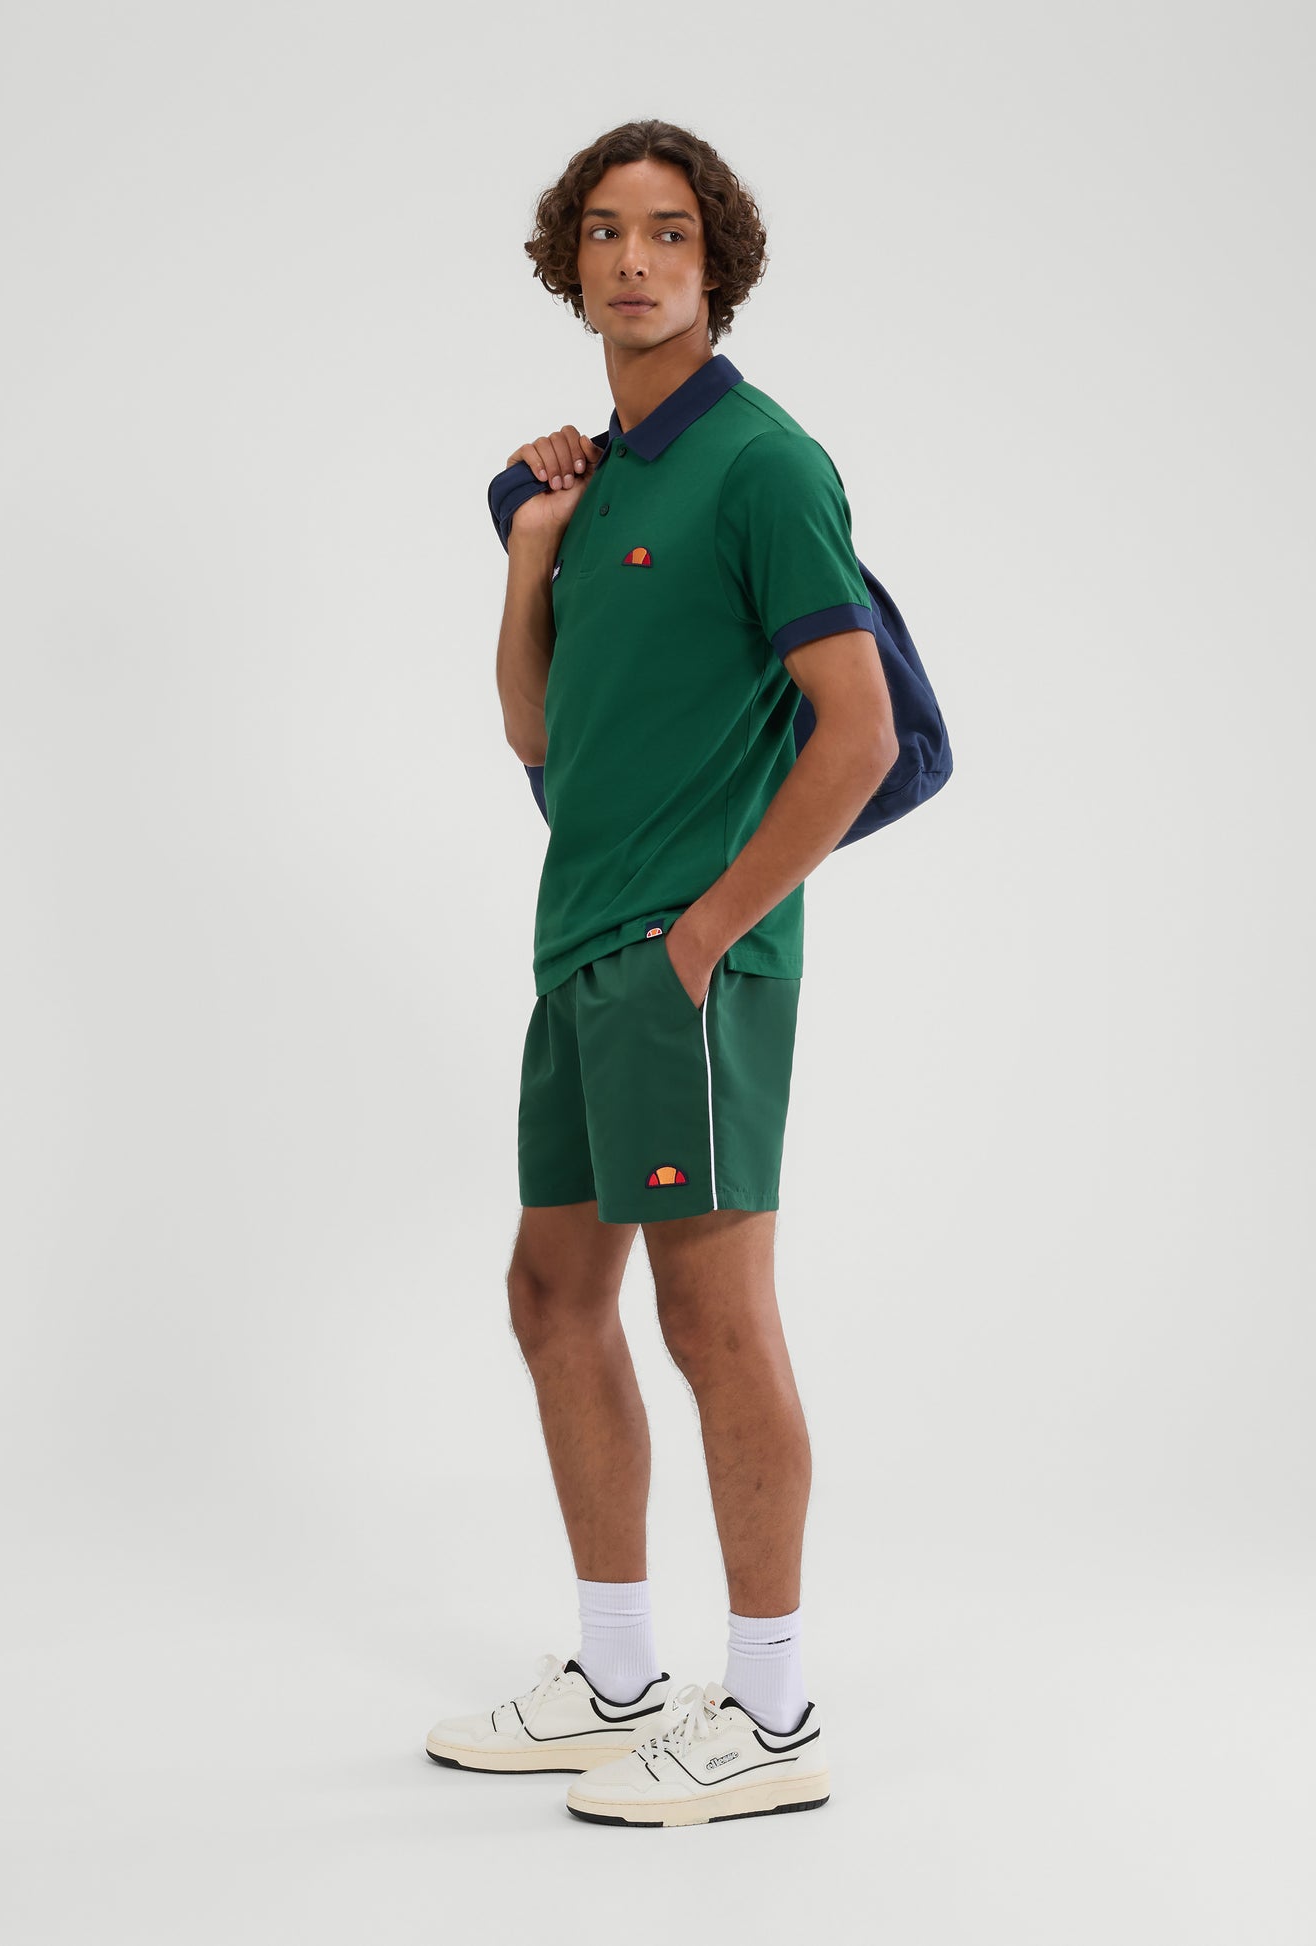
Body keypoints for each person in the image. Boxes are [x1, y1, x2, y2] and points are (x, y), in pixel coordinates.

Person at [424, 119, 897, 1829]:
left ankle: (767, 1712)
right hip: (579, 946)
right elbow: (533, 729)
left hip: (686, 962)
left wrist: (708, 932)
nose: (634, 259)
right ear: (571, 262)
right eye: (606, 232)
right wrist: (531, 543)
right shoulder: (599, 481)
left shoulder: (761, 465)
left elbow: (855, 735)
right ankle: (617, 1677)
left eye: (670, 232)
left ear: (718, 264)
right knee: (551, 1294)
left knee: (710, 1316)